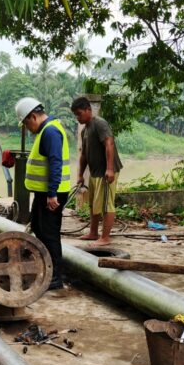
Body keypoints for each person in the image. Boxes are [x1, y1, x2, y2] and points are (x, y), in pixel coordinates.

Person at [15, 97, 71, 290]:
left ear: (33, 116)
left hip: (51, 194)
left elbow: (55, 163)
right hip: (43, 193)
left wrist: (52, 194)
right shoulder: (45, 131)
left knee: (50, 234)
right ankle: (46, 269)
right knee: (40, 228)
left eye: (25, 123)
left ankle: (55, 277)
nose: (26, 127)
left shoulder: (50, 132)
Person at [72, 96, 124, 246]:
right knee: (93, 203)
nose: (77, 117)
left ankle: (105, 237)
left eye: (79, 113)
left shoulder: (100, 123)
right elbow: (83, 154)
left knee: (106, 204)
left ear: (89, 110)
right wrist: (81, 175)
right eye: (76, 114)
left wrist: (109, 169)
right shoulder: (85, 130)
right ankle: (93, 232)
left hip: (106, 172)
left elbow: (109, 144)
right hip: (95, 172)